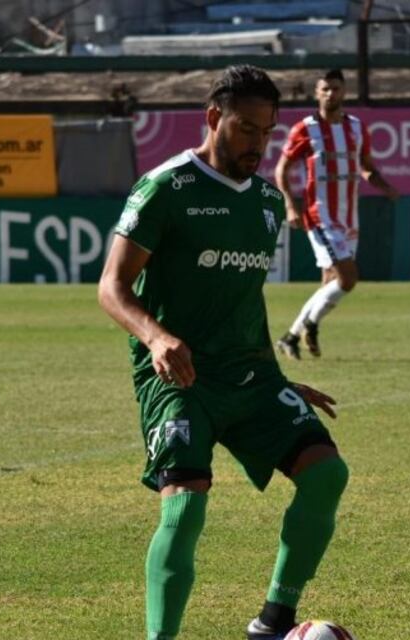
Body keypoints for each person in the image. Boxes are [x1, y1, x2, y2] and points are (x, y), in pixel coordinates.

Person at [97, 65, 349, 640]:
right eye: (245, 129)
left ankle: (273, 620)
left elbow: (242, 300)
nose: (258, 144)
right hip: (178, 377)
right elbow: (111, 287)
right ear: (214, 118)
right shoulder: (165, 187)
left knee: (327, 474)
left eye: (267, 132)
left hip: (249, 375)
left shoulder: (265, 202)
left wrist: (277, 377)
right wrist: (157, 337)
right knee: (184, 507)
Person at [273, 68, 398, 359]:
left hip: (349, 217)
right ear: (316, 93)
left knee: (331, 283)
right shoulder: (305, 129)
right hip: (320, 216)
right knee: (348, 279)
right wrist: (291, 205)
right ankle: (308, 326)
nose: (331, 94)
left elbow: (366, 166)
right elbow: (282, 169)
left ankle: (291, 337)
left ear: (344, 92)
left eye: (336, 88)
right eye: (325, 89)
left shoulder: (356, 127)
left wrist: (384, 186)